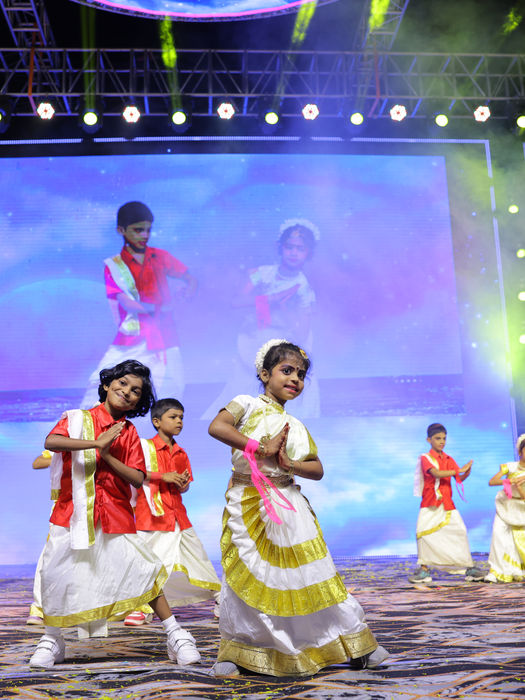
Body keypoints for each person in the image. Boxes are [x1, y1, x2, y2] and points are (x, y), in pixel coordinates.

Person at [207, 339, 388, 677]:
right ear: (265, 374)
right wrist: (260, 448)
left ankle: (353, 643)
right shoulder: (246, 404)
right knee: (248, 575)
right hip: (248, 502)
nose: (295, 379)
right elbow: (217, 427)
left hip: (288, 503)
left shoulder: (297, 425)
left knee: (311, 574)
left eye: (301, 375)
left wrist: (289, 464)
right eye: (286, 370)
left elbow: (317, 469)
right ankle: (239, 649)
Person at [29, 360, 201, 670]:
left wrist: (107, 455)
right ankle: (52, 640)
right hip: (72, 512)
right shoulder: (77, 419)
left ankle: (176, 634)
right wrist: (96, 443)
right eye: (122, 383)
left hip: (115, 514)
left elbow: (137, 478)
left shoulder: (129, 432)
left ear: (138, 402)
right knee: (56, 575)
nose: (127, 392)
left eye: (136, 391)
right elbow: (51, 442)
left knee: (143, 571)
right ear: (107, 384)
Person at [81, 201, 197, 408]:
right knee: (99, 385)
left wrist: (187, 291)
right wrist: (162, 308)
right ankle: (84, 426)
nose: (144, 235)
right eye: (138, 230)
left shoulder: (160, 256)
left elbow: (190, 279)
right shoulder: (114, 266)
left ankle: (153, 428)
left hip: (164, 335)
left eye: (148, 230)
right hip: (131, 337)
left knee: (173, 388)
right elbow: (127, 303)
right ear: (121, 230)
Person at [202, 219, 319, 421]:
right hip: (257, 337)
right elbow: (236, 301)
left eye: (300, 249)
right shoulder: (260, 274)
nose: (293, 253)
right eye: (289, 247)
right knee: (243, 387)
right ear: (280, 247)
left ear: (308, 252)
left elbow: (301, 332)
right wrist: (270, 299)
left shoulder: (303, 288)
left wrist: (286, 309)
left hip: (286, 343)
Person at [124, 397, 221, 626]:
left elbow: (184, 486)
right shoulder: (144, 447)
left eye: (181, 418)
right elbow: (132, 473)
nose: (179, 421)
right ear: (156, 421)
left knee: (199, 560)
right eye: (173, 417)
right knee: (151, 564)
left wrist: (182, 484)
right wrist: (163, 476)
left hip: (178, 516)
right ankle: (143, 607)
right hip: (153, 516)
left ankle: (220, 599)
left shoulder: (181, 453)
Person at [409, 423, 484, 584]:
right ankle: (424, 569)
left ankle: (468, 567)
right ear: (429, 439)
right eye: (438, 438)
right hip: (430, 502)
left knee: (460, 531)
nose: (442, 441)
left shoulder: (449, 459)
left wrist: (467, 471)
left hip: (447, 502)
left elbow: (458, 478)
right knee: (424, 534)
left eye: (444, 438)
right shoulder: (426, 458)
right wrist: (458, 470)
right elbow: (436, 473)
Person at [485, 434, 525, 583]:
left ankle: (514, 570)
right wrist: (510, 480)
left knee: (516, 542)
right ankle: (495, 571)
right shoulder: (510, 466)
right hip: (506, 505)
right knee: (499, 536)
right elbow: (492, 481)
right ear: (520, 451)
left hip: (522, 507)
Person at [26, 451, 53, 626]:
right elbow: (37, 462)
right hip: (65, 505)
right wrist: (63, 457)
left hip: (99, 504)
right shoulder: (65, 440)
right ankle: (39, 608)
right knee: (50, 555)